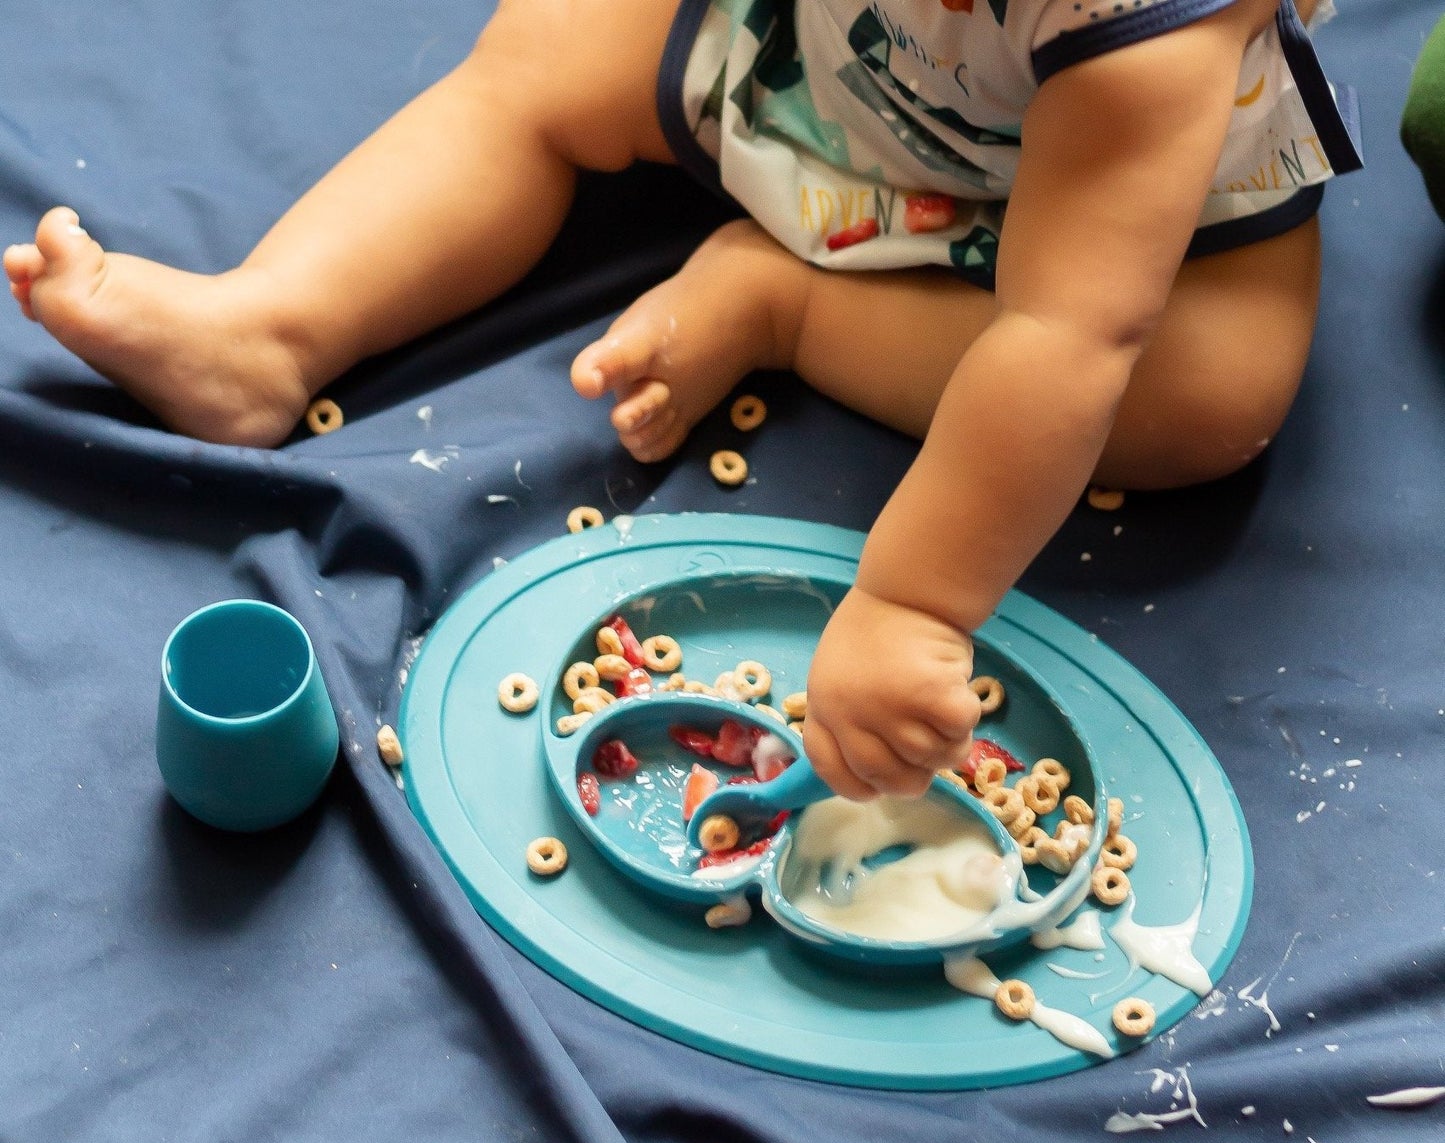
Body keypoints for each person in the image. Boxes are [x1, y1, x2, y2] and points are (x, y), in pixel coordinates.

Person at [2, 0, 1359, 800]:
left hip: (1113, 195)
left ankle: (794, 305)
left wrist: (909, 600)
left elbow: (1066, 329)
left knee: (1208, 392)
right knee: (551, 48)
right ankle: (272, 327)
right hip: (827, 68)